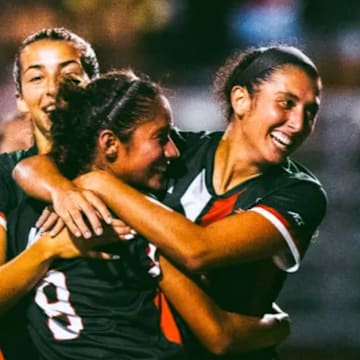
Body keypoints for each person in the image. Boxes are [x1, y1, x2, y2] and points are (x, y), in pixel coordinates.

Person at [15, 44, 327, 359]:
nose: (298, 124)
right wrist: (61, 190)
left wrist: (97, 182)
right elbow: (32, 165)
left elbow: (198, 250)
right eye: (286, 103)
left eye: (311, 111)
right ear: (241, 99)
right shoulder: (174, 151)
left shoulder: (300, 194)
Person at [0, 27, 115, 360]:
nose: (53, 91)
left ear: (95, 87)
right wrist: (49, 248)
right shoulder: (4, 178)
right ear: (20, 97)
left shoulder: (130, 167)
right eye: (36, 78)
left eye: (70, 77)